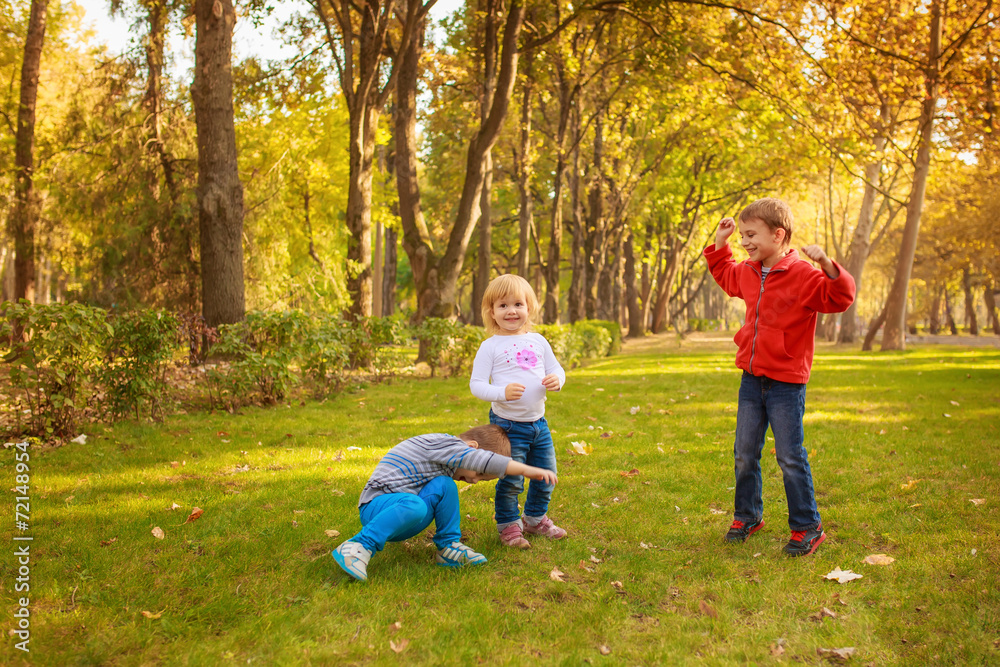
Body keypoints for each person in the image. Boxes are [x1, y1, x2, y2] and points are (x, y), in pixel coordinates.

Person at [703, 198, 856, 557]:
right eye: (742, 235)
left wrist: (826, 264)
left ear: (778, 234)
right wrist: (720, 241)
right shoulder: (749, 271)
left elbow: (840, 297)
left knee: (789, 456)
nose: (745, 241)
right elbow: (725, 274)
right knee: (744, 453)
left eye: (750, 234)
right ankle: (748, 516)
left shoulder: (803, 275)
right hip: (752, 380)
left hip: (787, 382)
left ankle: (807, 526)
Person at [331, 425, 557, 582]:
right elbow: (487, 459)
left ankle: (448, 548)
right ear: (471, 447)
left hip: (405, 511)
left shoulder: (447, 461)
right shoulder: (445, 444)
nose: (474, 480)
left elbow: (462, 472)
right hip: (377, 508)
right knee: (416, 504)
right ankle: (359, 545)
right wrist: (527, 469)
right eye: (478, 472)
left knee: (444, 485)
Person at [470, 274, 568, 549]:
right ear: (492, 312)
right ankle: (509, 526)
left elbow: (556, 369)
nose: (511, 311)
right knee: (511, 479)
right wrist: (501, 393)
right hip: (508, 425)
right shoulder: (490, 346)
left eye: (518, 304)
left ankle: (535, 519)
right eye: (503, 306)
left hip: (539, 423)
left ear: (529, 307)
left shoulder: (538, 341)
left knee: (546, 474)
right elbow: (476, 385)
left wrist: (558, 380)